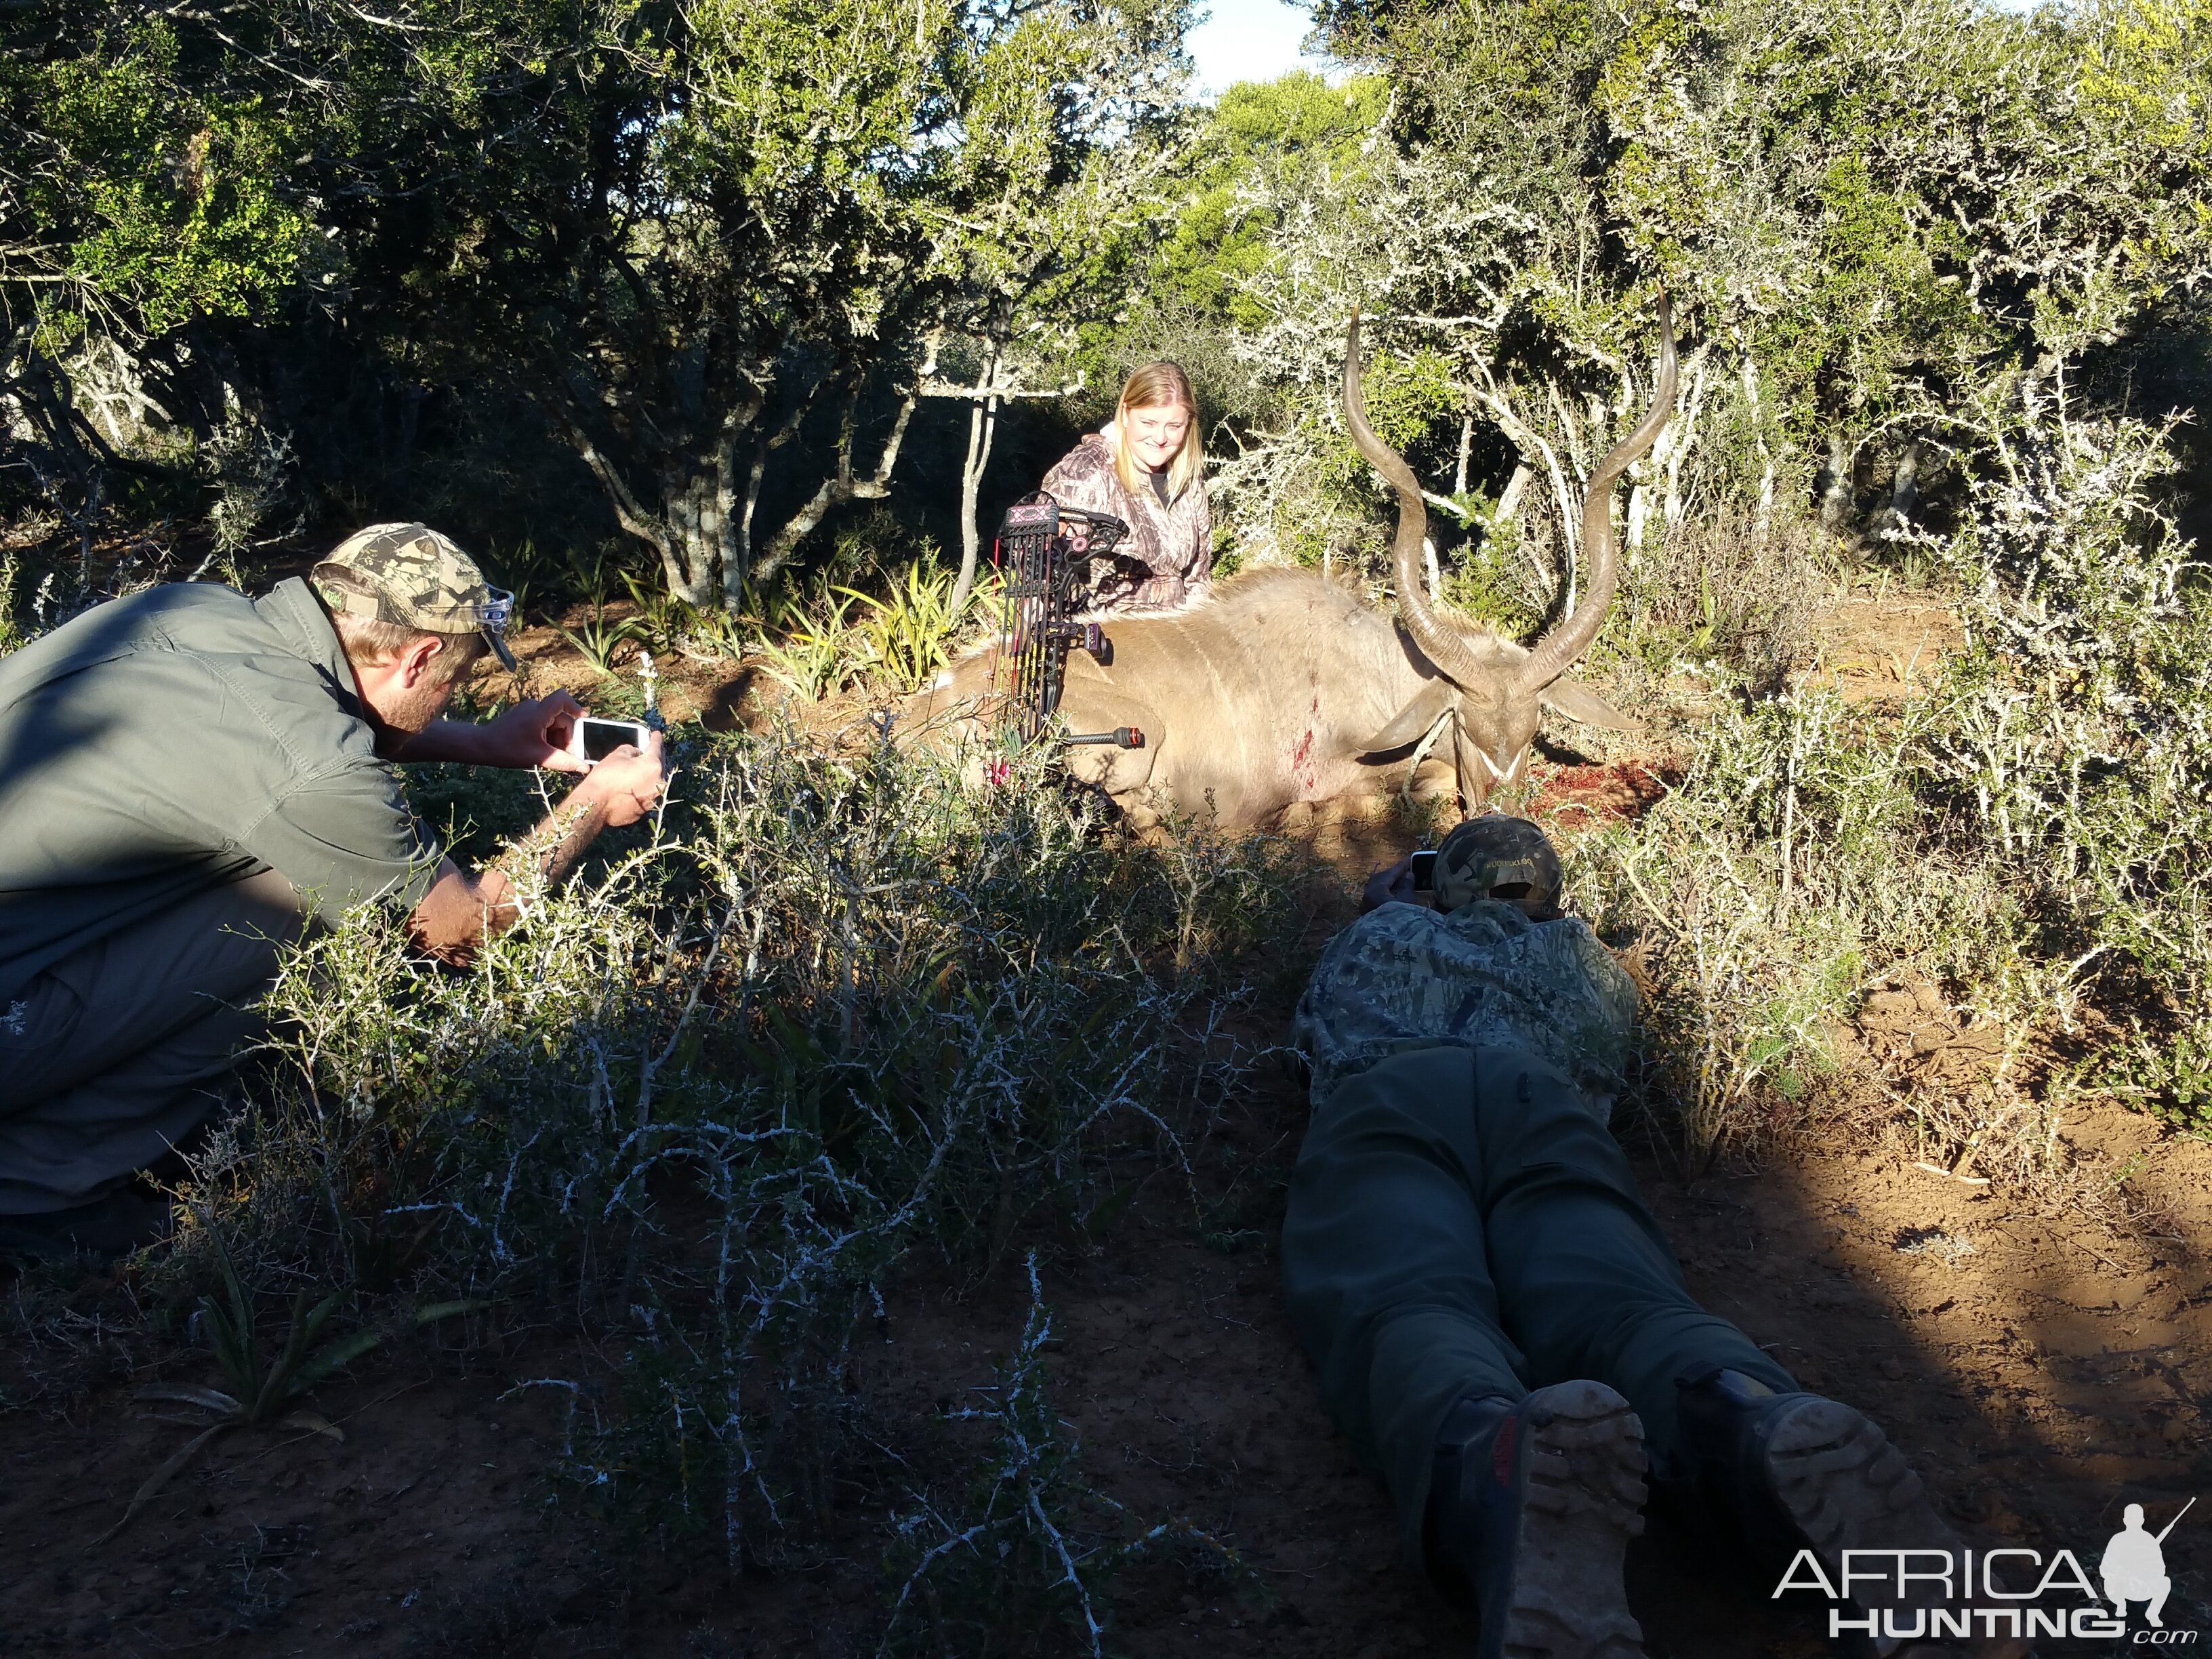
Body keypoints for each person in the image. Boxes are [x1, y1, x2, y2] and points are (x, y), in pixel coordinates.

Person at [1284, 816, 1990, 1658]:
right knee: (1626, 1306)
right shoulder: (1590, 965)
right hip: (1539, 1108)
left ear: (1441, 889)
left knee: (1410, 1298)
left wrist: (1390, 905)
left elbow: (1309, 1039)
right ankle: (1751, 1420)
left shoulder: (1380, 934)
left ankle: (1491, 1461)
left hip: (1395, 1100)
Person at [0, 523, 666, 1258]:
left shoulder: (192, 609)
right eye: (452, 687)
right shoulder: (307, 764)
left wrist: (481, 743)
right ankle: (35, 1189)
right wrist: (594, 805)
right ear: (418, 659)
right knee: (310, 905)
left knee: (287, 860)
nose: (449, 704)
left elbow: (292, 736)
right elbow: (458, 928)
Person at [1040, 361, 1212, 615]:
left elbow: (1198, 579)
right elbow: (1043, 576)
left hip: (1178, 640)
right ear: (1125, 414)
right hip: (1104, 641)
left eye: (1174, 426)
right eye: (1149, 423)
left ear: (1188, 425)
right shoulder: (1085, 473)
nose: (1161, 438)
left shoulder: (1188, 479)